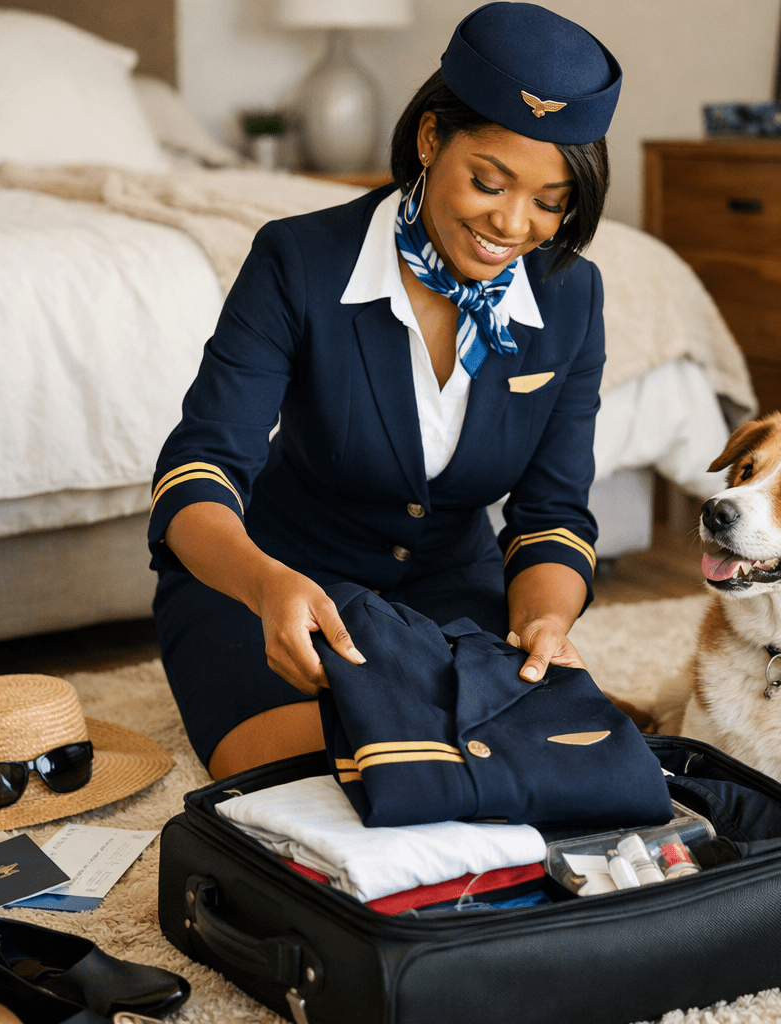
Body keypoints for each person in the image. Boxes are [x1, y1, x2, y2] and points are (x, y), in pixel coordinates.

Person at [148, 1, 623, 780]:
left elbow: (553, 514)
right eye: (488, 182)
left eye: (549, 201)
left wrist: (543, 621)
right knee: (297, 773)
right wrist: (266, 586)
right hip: (273, 579)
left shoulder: (573, 296)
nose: (513, 224)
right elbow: (200, 469)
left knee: (528, 762)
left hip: (449, 589)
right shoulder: (299, 259)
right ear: (431, 139)